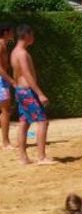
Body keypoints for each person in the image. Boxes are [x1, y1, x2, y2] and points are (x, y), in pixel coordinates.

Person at [11, 24, 56, 165]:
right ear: (26, 35)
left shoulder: (14, 52)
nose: (33, 37)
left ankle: (23, 157)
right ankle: (41, 157)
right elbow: (27, 75)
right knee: (43, 121)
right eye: (32, 34)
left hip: (20, 91)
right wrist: (40, 93)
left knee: (24, 123)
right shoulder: (22, 54)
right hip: (27, 91)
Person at [0, 23, 14, 150]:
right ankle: (5, 142)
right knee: (5, 111)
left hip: (2, 80)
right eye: (11, 31)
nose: (13, 33)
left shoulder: (4, 45)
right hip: (1, 80)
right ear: (5, 33)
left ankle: (5, 141)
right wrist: (10, 80)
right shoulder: (0, 45)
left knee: (5, 111)